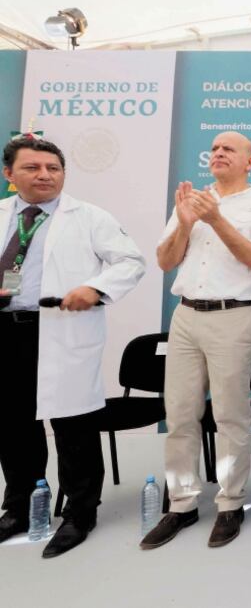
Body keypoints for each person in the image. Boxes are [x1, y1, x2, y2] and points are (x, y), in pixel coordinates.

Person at [0, 134, 145, 558]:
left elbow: (130, 261)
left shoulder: (89, 216)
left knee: (73, 426)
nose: (45, 175)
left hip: (60, 328)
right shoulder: (2, 215)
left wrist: (94, 288)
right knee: (12, 424)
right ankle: (21, 507)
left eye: (53, 169)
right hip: (7, 329)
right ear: (10, 175)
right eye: (32, 168)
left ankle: (80, 512)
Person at [141, 131, 251, 550]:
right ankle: (182, 504)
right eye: (215, 148)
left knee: (230, 415)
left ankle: (230, 503)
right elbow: (166, 260)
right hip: (186, 316)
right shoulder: (192, 200)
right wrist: (185, 223)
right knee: (180, 415)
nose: (219, 153)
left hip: (234, 316)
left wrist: (215, 219)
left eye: (229, 149)